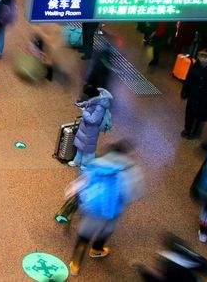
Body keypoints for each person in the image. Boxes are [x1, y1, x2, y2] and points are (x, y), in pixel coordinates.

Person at [67, 142, 144, 277]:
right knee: (106, 230)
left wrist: (74, 191)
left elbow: (82, 179)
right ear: (126, 155)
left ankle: (75, 264)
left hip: (91, 207)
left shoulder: (97, 162)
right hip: (111, 211)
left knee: (84, 234)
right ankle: (96, 250)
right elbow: (131, 194)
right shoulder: (130, 170)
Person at [70, 85, 113, 167]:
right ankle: (77, 161)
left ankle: (86, 165)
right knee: (81, 145)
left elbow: (93, 120)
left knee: (88, 149)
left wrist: (84, 111)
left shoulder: (100, 107)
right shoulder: (97, 99)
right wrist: (84, 104)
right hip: (85, 128)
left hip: (91, 130)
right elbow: (91, 104)